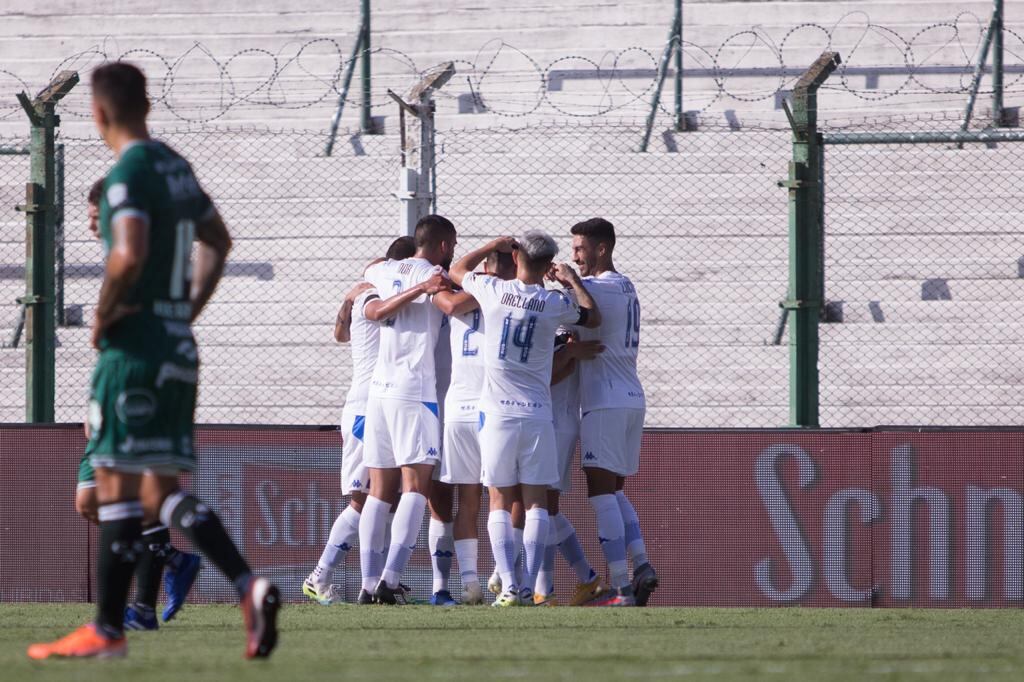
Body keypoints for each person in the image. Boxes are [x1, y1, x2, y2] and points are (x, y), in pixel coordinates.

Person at [28, 62, 278, 660]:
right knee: (158, 492)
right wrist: (185, 311)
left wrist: (105, 313)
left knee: (113, 480)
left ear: (97, 113)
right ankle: (246, 583)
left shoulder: (128, 173)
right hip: (177, 348)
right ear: (146, 104)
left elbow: (127, 254)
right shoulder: (174, 165)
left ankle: (108, 629)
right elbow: (218, 242)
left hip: (134, 347)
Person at [75, 177, 203, 628]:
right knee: (92, 501)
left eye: (95, 216)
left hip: (137, 379)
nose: (91, 224)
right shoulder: (120, 255)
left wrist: (102, 321)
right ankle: (172, 560)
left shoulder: (136, 255)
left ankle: (127, 614)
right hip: (115, 380)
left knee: (131, 493)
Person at [450, 231, 600, 606]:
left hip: (498, 412)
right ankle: (531, 585)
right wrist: (570, 279)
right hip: (537, 413)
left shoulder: (495, 291)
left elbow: (457, 270)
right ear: (548, 262)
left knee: (498, 499)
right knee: (536, 503)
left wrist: (490, 246)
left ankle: (510, 587)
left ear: (517, 258)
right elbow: (590, 315)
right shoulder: (553, 302)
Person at [358, 215, 470, 604]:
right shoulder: (436, 276)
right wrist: (425, 285)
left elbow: (372, 280)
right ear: (442, 245)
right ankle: (389, 579)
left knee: (378, 492)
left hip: (379, 391)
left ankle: (367, 583)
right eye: (452, 244)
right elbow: (455, 289)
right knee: (416, 489)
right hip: (413, 389)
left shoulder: (382, 269)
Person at [303, 236, 416, 606]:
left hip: (384, 402)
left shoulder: (369, 295)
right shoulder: (374, 297)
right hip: (367, 405)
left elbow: (339, 334)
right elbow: (344, 332)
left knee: (387, 499)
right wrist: (352, 298)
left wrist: (347, 299)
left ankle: (379, 583)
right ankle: (320, 575)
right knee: (363, 498)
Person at [570, 218, 657, 607]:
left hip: (603, 402)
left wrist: (569, 282)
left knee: (601, 493)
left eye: (580, 249)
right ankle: (640, 565)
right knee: (617, 491)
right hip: (631, 398)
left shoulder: (593, 289)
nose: (574, 257)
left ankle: (621, 587)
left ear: (601, 248)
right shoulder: (627, 285)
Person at [437, 249, 516, 605]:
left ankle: (470, 584)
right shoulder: (509, 297)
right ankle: (505, 575)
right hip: (491, 408)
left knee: (467, 500)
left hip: (457, 408)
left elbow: (456, 275)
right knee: (504, 495)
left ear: (483, 268)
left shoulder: (459, 296)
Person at [535, 329, 606, 606]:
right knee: (547, 508)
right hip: (551, 423)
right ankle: (587, 578)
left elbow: (551, 376)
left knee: (540, 507)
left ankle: (545, 590)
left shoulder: (566, 333)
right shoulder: (557, 329)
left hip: (555, 424)